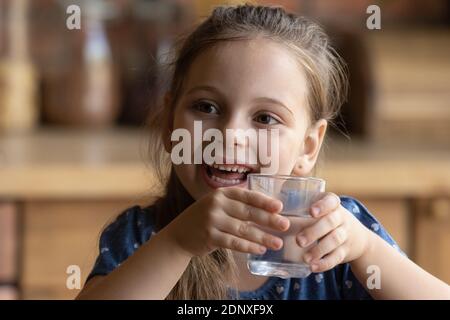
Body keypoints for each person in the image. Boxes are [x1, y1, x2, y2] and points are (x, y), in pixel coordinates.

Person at [76, 4, 450, 300]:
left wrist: (366, 248)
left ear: (309, 146)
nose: (231, 135)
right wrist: (177, 243)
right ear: (171, 124)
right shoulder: (145, 236)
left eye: (266, 118)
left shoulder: (335, 240)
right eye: (206, 107)